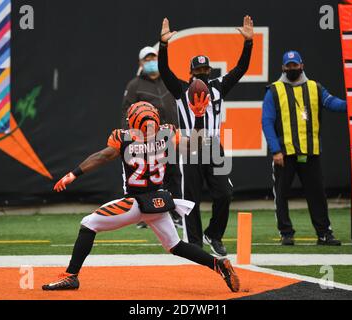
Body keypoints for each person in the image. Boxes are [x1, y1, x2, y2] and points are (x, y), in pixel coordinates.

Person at [42, 101, 240, 292]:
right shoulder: (167, 134)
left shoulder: (123, 138)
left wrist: (73, 174)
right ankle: (218, 264)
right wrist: (198, 117)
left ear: (132, 122)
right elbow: (196, 145)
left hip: (135, 203)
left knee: (88, 224)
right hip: (158, 203)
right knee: (175, 245)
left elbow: (102, 157)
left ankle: (71, 275)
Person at [158, 16, 254, 256]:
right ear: (190, 72)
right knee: (191, 200)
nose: (201, 73)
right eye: (197, 70)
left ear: (209, 71)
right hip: (190, 147)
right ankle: (195, 244)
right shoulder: (181, 89)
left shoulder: (218, 87)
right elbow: (164, 70)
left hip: (213, 146)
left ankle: (214, 234)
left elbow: (241, 69)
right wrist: (163, 45)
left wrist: (249, 43)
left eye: (205, 70)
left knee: (225, 193)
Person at [262, 50, 346, 246]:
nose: (292, 69)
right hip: (285, 152)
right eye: (288, 66)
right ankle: (286, 233)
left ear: (302, 65)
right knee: (281, 195)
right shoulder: (274, 90)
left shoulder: (315, 87)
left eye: (295, 65)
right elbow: (267, 122)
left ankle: (324, 233)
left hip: (310, 152)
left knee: (317, 194)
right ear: (283, 67)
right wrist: (275, 150)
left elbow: (331, 103)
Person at [122, 46, 182, 229]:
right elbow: (127, 112)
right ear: (141, 63)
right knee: (148, 176)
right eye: (147, 60)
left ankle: (175, 212)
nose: (151, 62)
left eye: (153, 58)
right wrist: (132, 137)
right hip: (146, 139)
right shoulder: (135, 85)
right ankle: (142, 214)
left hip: (169, 136)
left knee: (173, 175)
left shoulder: (168, 81)